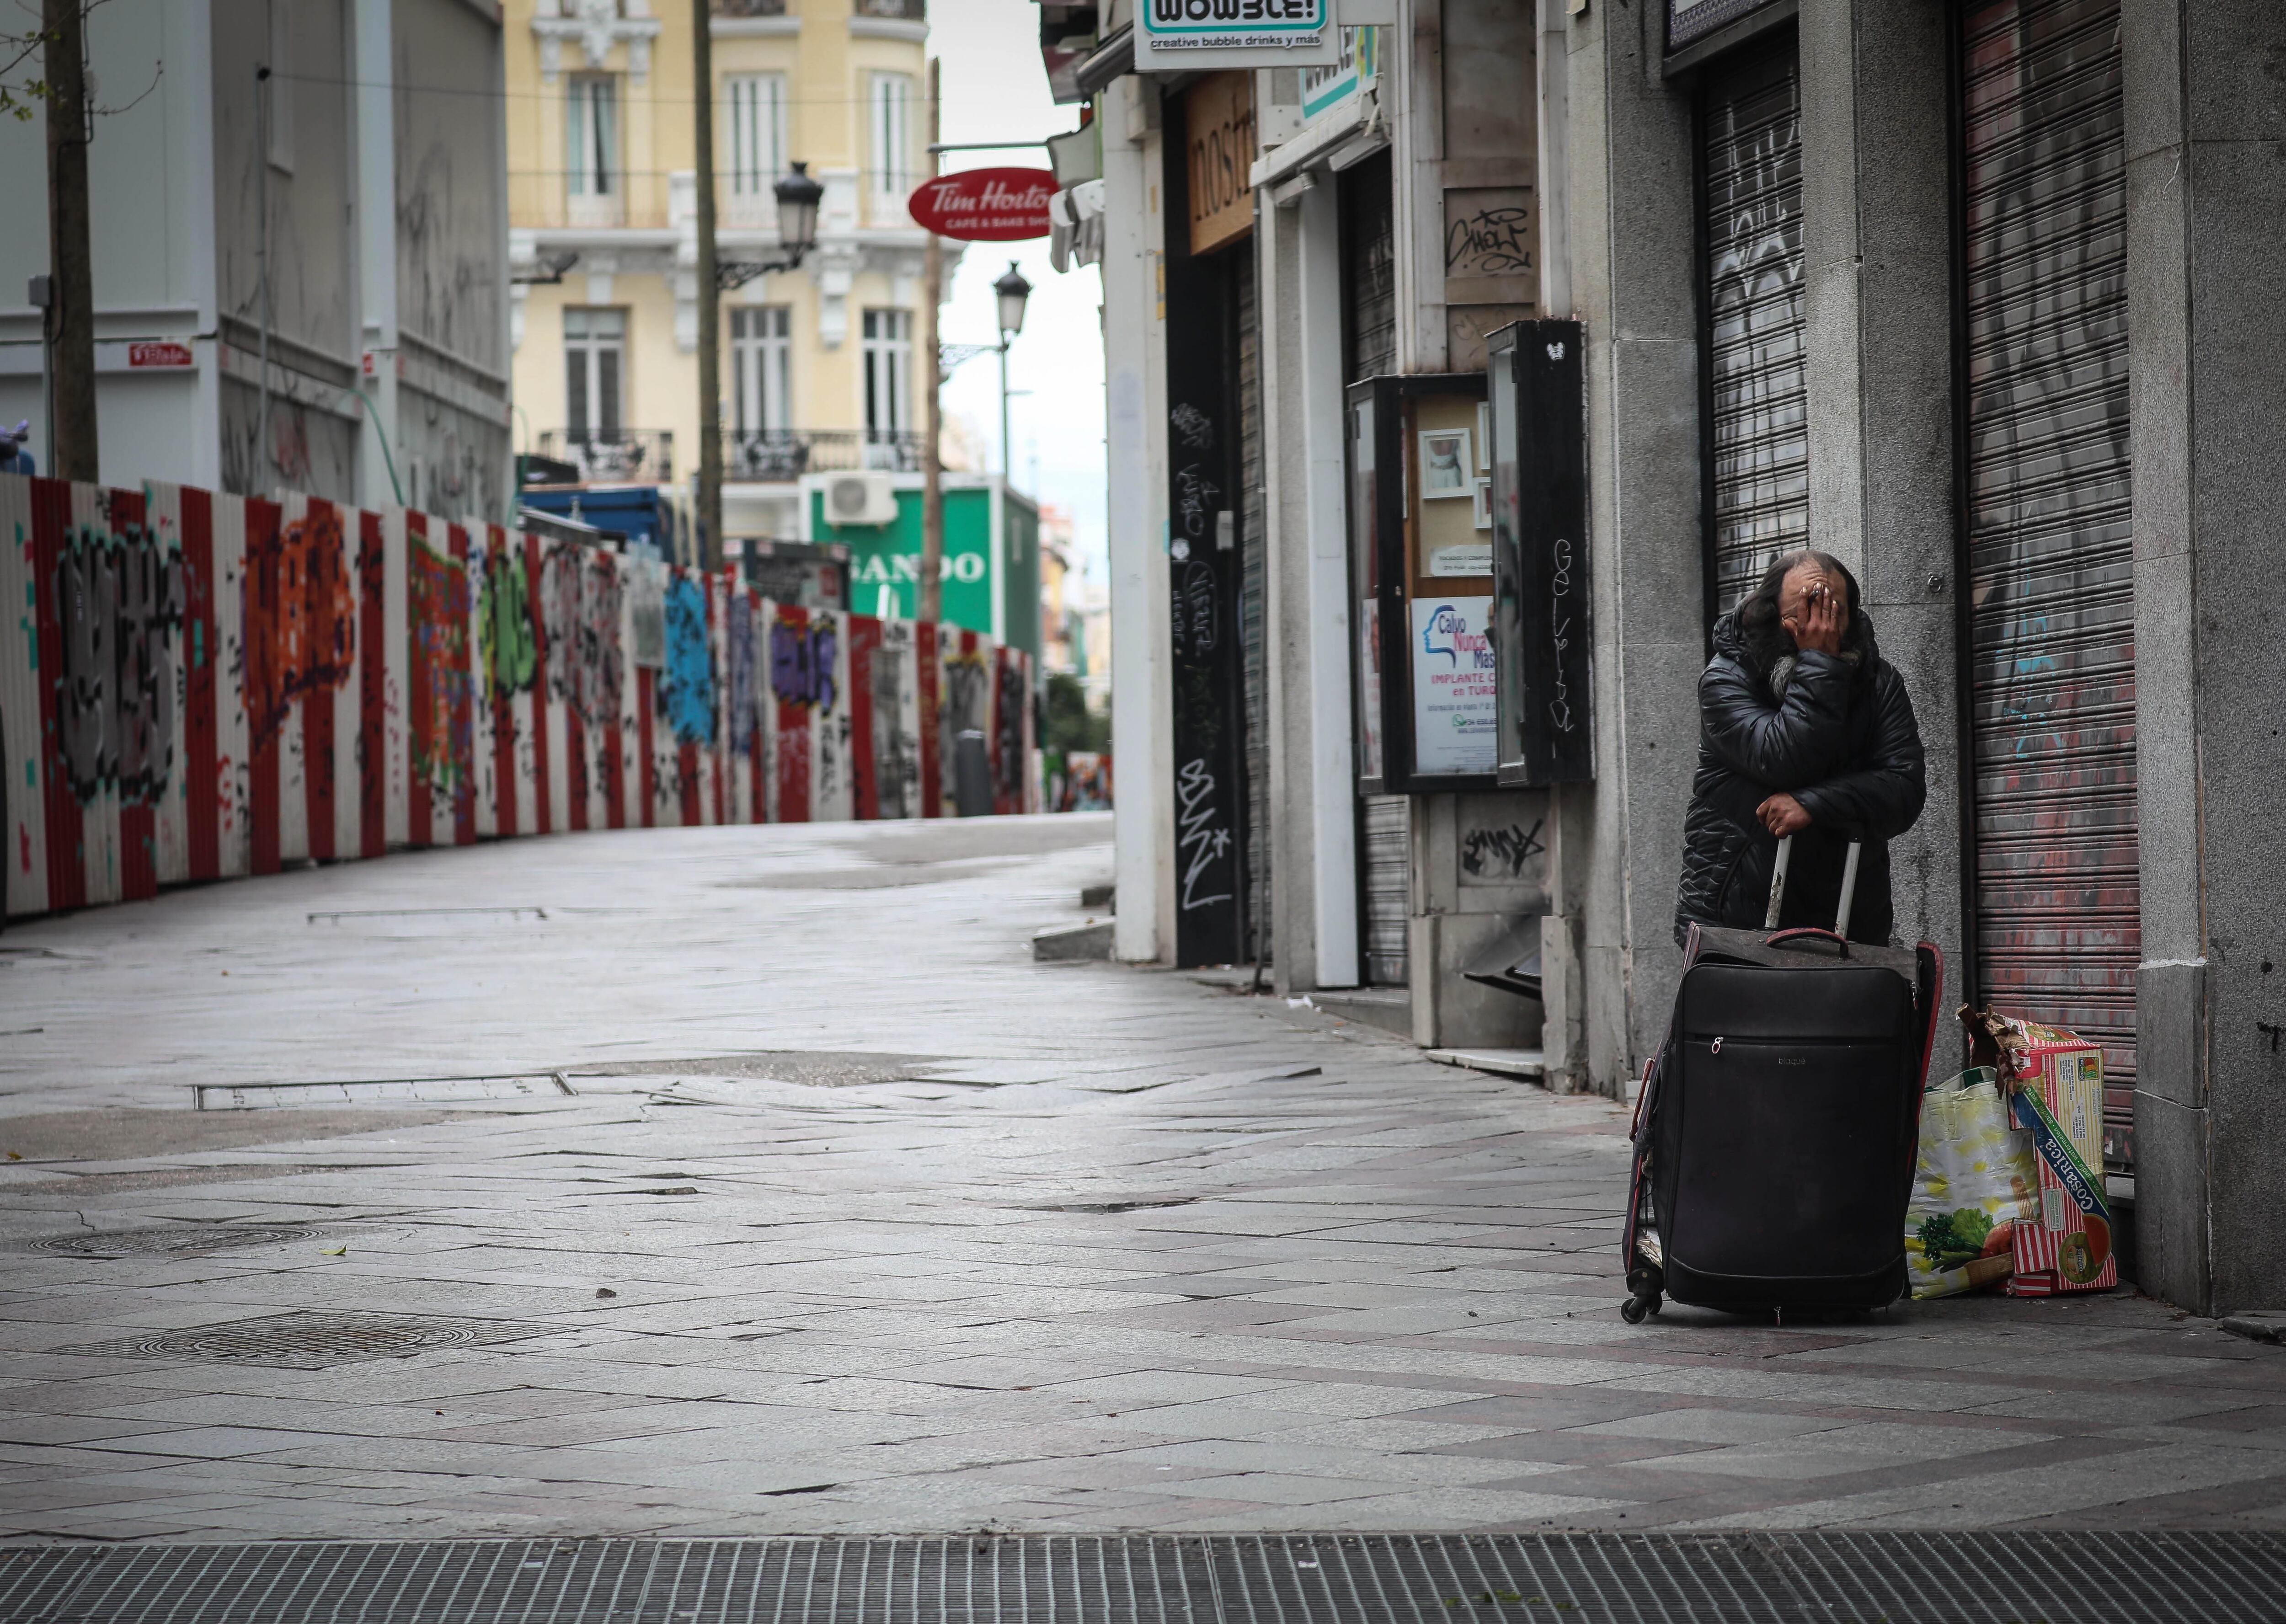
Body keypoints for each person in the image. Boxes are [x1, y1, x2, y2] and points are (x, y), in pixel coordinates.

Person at [1674, 549, 1925, 946]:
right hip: (1738, 916)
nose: (1818, 628)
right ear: (1770, 614)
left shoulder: (1879, 683)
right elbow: (1784, 759)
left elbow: (1904, 791)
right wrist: (1820, 663)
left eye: (1830, 613)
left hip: (1849, 917)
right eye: (1803, 614)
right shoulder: (1727, 679)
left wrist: (1813, 804)